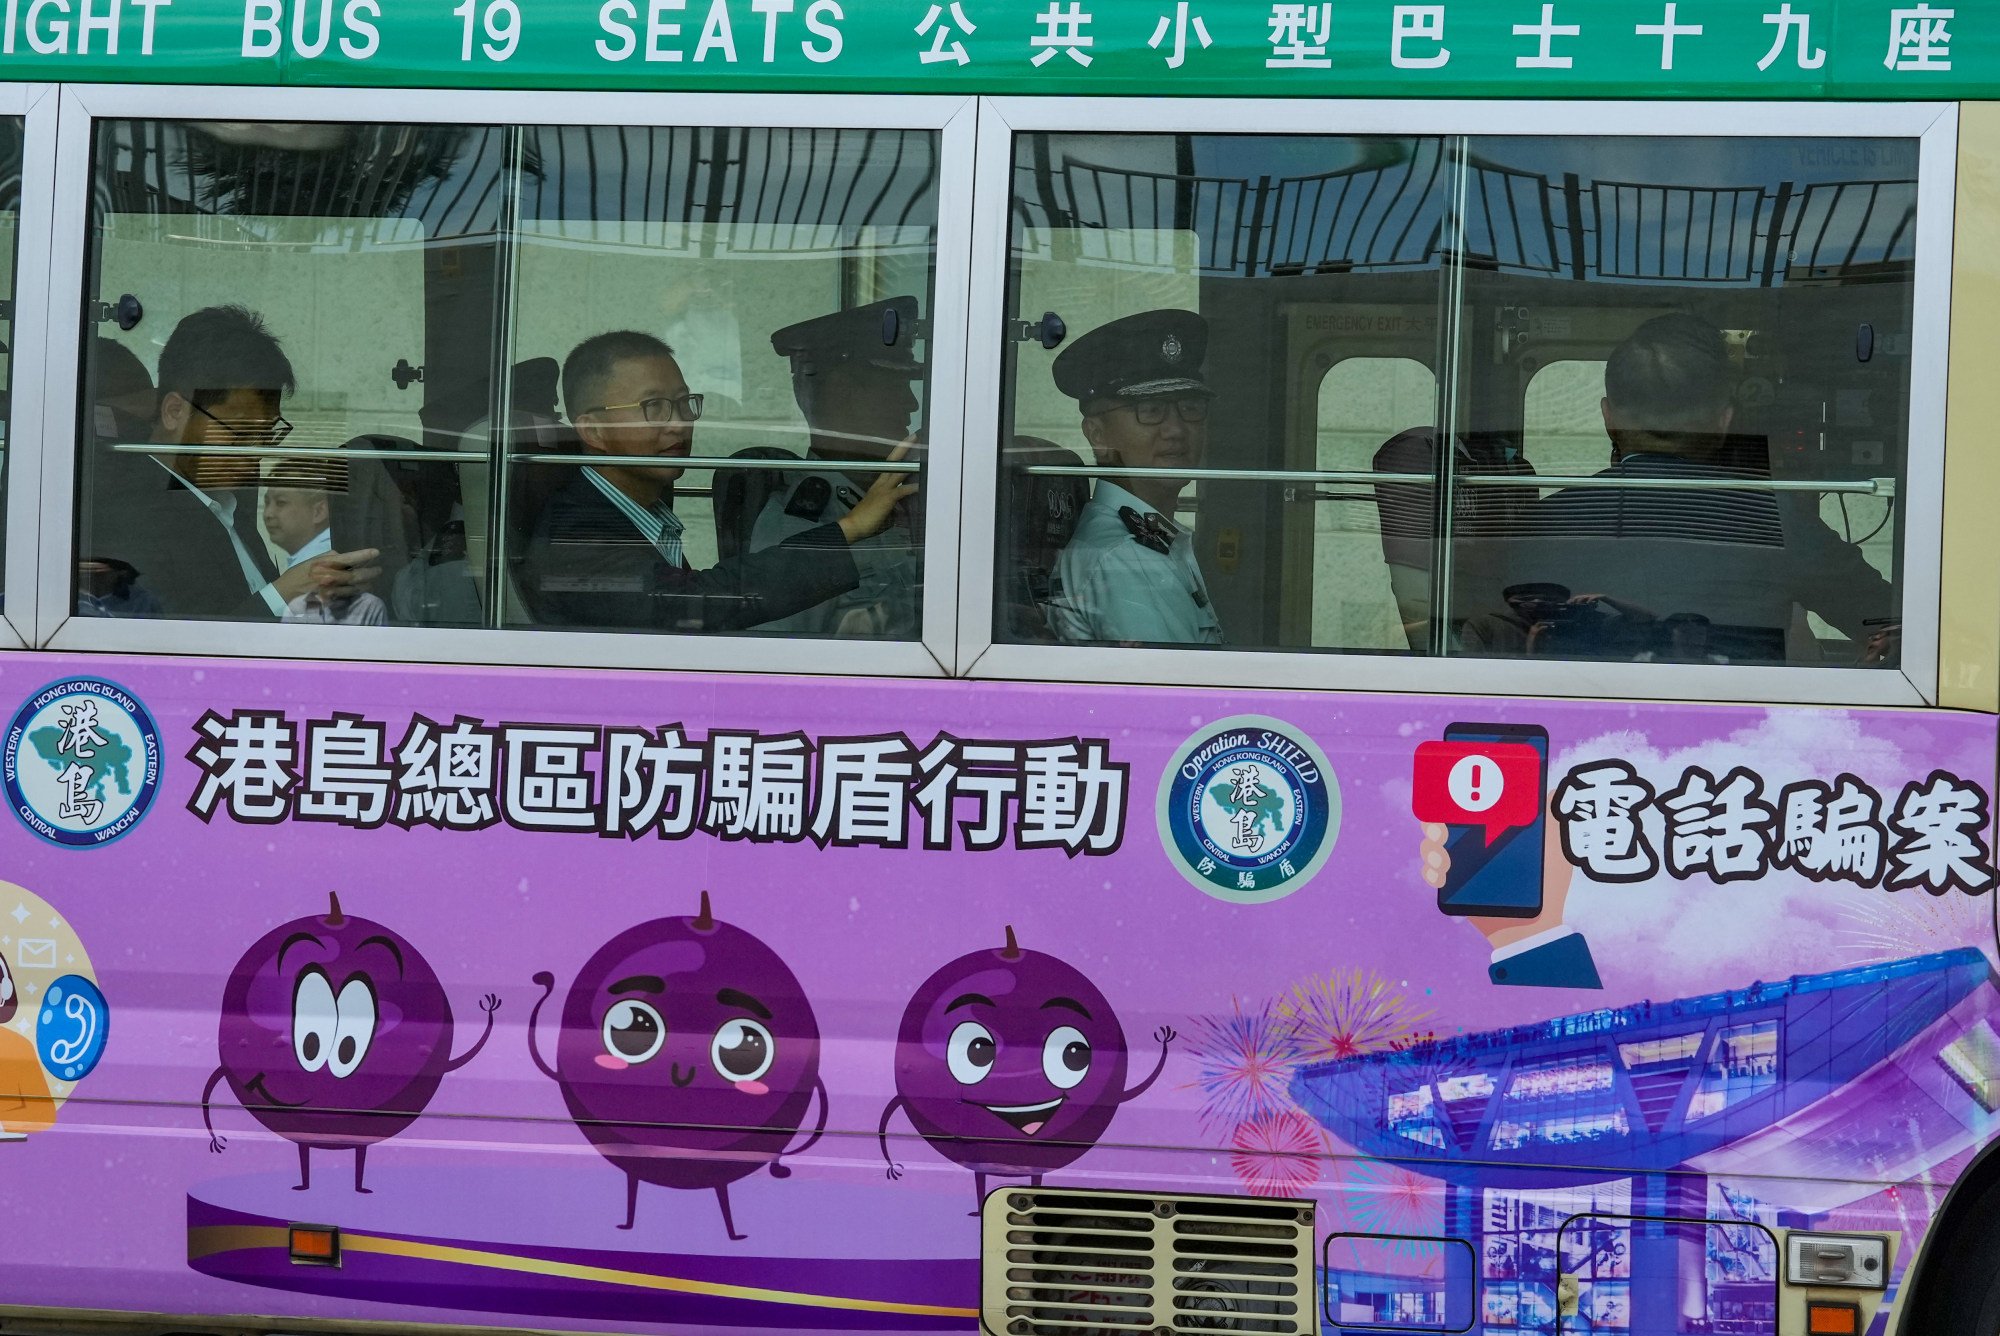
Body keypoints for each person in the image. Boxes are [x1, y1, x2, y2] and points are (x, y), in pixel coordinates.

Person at [1458, 312, 1894, 664]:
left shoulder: (1541, 523)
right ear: (1724, 422)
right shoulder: (1774, 518)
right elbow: (1886, 623)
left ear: (1608, 417)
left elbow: (1483, 639)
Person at [520, 330, 915, 632]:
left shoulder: (642, 506)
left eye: (683, 403)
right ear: (593, 431)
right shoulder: (576, 535)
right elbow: (693, 604)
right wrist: (850, 528)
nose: (680, 423)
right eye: (654, 407)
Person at [78, 307, 381, 620]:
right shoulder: (129, 516)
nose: (256, 451)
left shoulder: (227, 503)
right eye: (241, 430)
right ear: (174, 412)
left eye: (266, 433)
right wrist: (285, 591)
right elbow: (178, 651)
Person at [1044, 309, 1222, 646]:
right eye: (1151, 410)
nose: (1176, 429)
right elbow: (1179, 695)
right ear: (1097, 434)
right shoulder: (1131, 560)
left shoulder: (1147, 540)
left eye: (1190, 407)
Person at [749, 297, 924, 639]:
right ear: (842, 393)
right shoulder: (800, 524)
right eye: (895, 386)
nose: (912, 403)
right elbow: (783, 666)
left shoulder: (886, 496)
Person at [263, 463, 390, 626]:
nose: (268, 514)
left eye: (280, 503)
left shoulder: (324, 572)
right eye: (267, 503)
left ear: (319, 511)